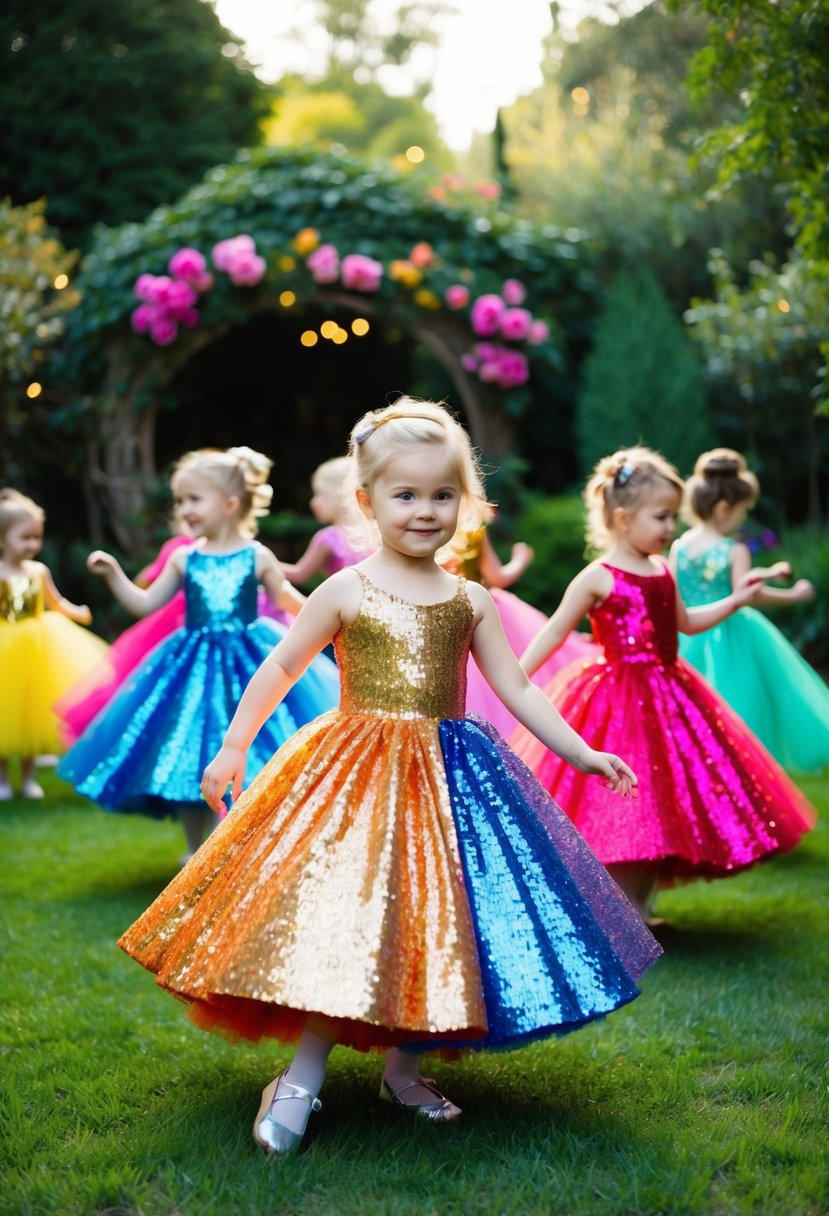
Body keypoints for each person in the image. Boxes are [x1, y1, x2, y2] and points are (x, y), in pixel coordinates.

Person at [118, 399, 661, 1156]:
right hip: (356, 778)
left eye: (442, 495)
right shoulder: (344, 591)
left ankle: (404, 1069)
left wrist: (579, 751)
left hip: (453, 782)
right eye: (406, 495)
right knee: (349, 919)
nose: (425, 511)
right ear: (368, 502)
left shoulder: (470, 600)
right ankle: (301, 1076)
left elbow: (518, 689)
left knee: (445, 925)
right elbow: (282, 663)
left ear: (463, 504)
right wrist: (234, 745)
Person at [511, 446, 815, 921]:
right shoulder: (597, 577)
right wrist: (515, 676)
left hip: (670, 698)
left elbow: (687, 622)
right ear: (622, 518)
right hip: (618, 700)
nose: (672, 528)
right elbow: (554, 630)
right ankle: (622, 906)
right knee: (624, 799)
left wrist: (737, 599)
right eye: (661, 517)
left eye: (674, 516)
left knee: (667, 798)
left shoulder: (662, 570)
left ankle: (640, 902)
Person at [58, 446, 339, 859]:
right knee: (189, 756)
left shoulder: (257, 556)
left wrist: (337, 618)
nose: (183, 509)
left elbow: (293, 601)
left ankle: (240, 846)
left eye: (193, 499)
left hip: (249, 660)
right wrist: (113, 575)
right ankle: (196, 851)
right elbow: (145, 603)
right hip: (191, 668)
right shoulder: (184, 558)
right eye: (180, 500)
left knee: (257, 749)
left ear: (229, 504)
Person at [670, 448, 829, 772]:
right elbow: (748, 595)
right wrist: (795, 595)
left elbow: (674, 595)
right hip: (731, 639)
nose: (745, 517)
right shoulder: (733, 549)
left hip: (687, 636)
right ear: (726, 507)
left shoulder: (680, 545)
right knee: (741, 714)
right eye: (744, 510)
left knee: (694, 716)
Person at [447, 510, 598, 737]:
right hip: (484, 607)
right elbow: (497, 576)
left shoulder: (426, 529)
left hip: (450, 612)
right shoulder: (472, 525)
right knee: (503, 673)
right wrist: (520, 559)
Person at [0, 488, 107, 800]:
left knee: (30, 715)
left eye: (36, 537)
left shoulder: (38, 571)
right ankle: (4, 779)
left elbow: (55, 602)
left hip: (36, 646)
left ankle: (29, 777)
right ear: (4, 538)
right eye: (25, 537)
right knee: (6, 714)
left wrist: (77, 613)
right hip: (6, 647)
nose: (33, 544)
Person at [278, 455, 373, 586]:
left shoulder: (329, 537)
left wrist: (261, 561)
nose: (313, 502)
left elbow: (300, 575)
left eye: (320, 494)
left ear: (340, 495)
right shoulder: (375, 532)